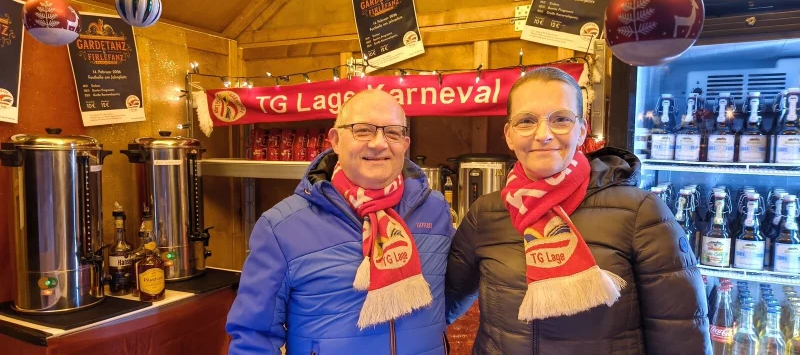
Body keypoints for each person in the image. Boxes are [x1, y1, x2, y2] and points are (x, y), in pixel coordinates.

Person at [445, 67, 711, 354]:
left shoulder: (640, 213)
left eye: (560, 119)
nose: (543, 135)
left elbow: (681, 335)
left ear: (582, 130)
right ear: (509, 135)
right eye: (526, 121)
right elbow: (446, 301)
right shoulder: (485, 214)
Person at [227, 89, 455, 355]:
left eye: (392, 132)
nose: (379, 143)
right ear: (335, 140)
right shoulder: (281, 227)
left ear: (405, 144)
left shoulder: (434, 210)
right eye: (363, 130)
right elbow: (254, 336)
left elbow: (451, 294)